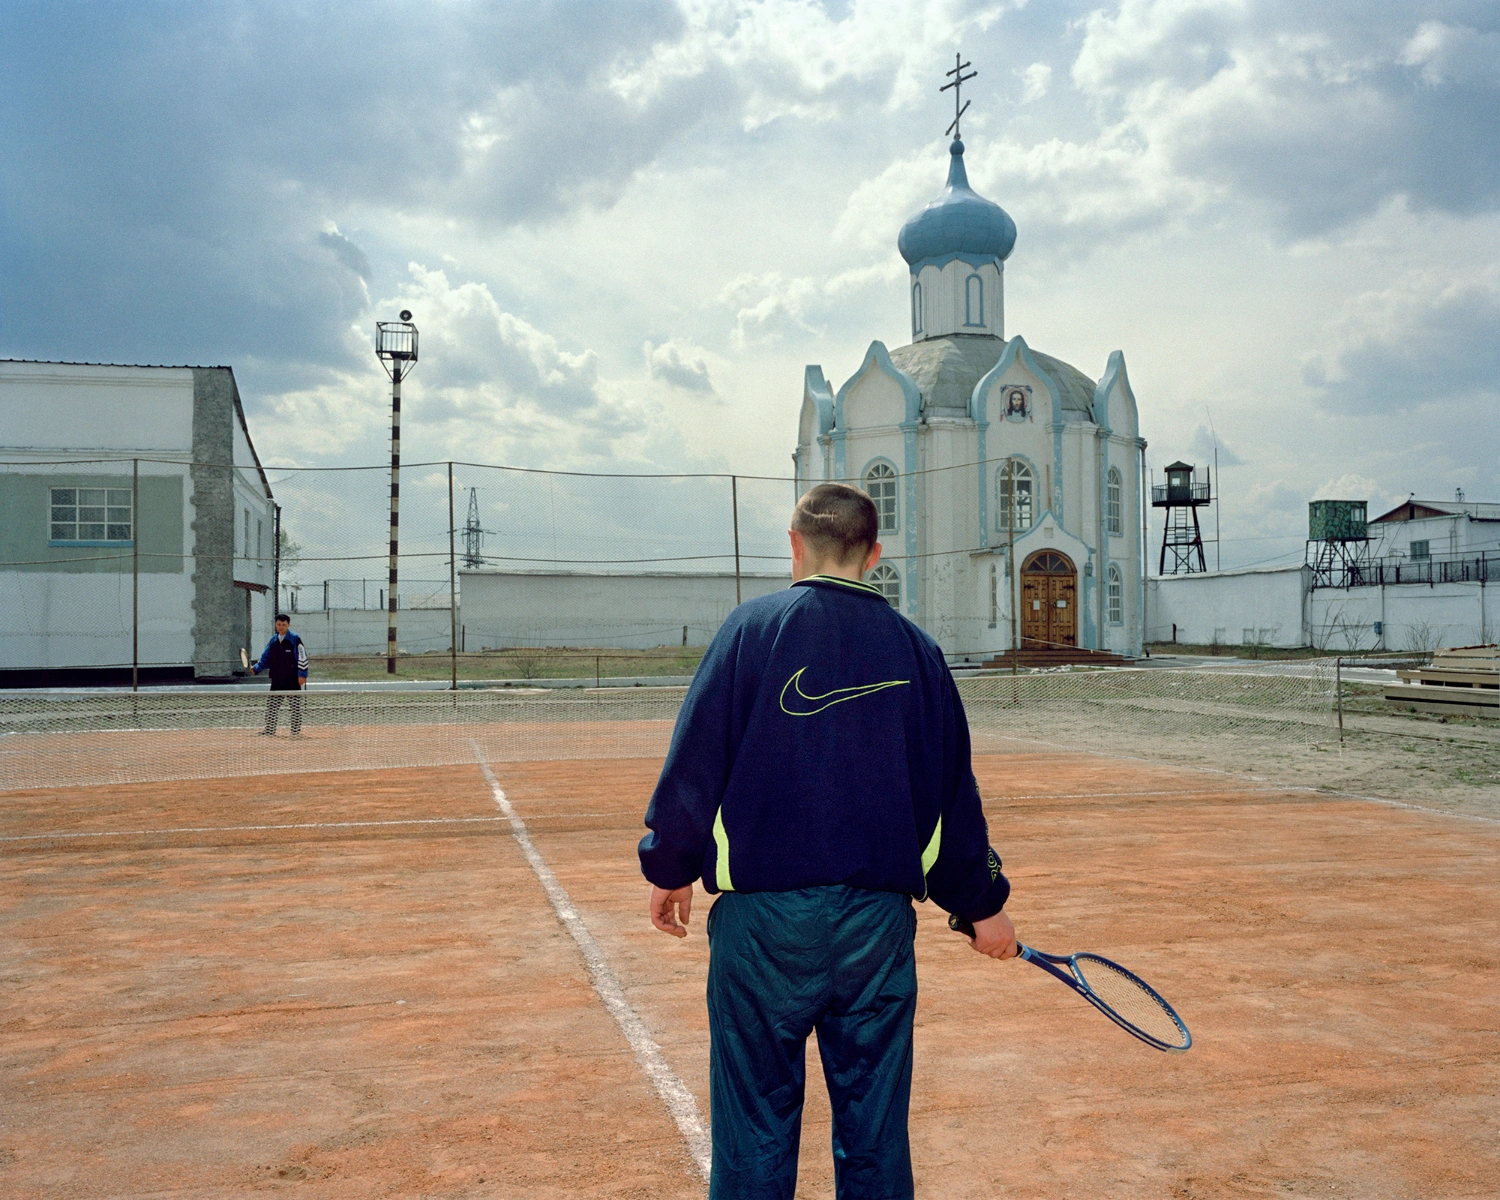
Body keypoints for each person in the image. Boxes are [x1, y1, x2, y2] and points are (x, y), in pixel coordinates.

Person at [639, 482, 1018, 1200]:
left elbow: (696, 761)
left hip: (763, 928)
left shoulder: (749, 632)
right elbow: (951, 800)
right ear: (874, 555)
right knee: (874, 1129)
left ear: (794, 546)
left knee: (756, 1125)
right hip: (875, 928)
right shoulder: (919, 650)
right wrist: (981, 904)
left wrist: (671, 865)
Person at [251, 613, 308, 736]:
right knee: (272, 705)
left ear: (288, 625)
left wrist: (302, 674)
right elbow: (266, 657)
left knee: (295, 706)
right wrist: (256, 668)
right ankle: (270, 730)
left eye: (284, 624)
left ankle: (295, 732)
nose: (281, 627)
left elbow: (302, 657)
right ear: (275, 625)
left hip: (292, 679)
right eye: (279, 624)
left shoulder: (295, 639)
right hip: (277, 679)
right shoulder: (273, 640)